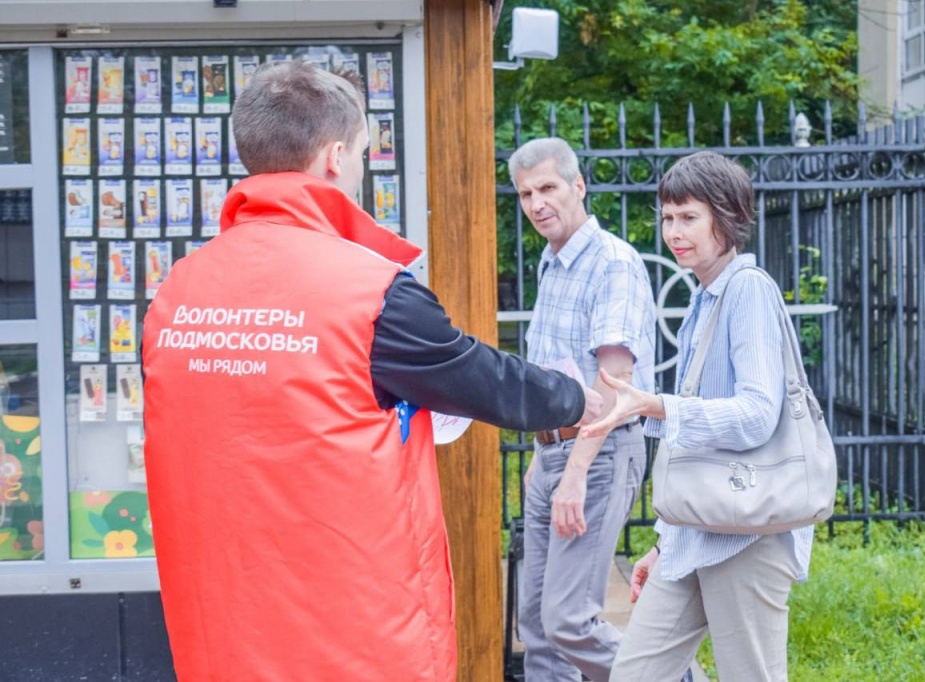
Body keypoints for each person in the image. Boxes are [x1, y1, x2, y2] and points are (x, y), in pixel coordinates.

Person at [141, 61, 601, 682]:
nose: (360, 169)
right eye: (361, 153)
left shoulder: (178, 292)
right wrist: (578, 399)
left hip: (223, 629)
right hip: (350, 631)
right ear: (335, 156)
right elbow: (480, 378)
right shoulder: (368, 290)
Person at [580, 151, 815, 682]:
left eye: (689, 217)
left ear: (726, 216)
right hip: (698, 530)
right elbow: (699, 443)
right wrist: (667, 538)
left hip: (749, 533)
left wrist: (654, 404)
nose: (673, 231)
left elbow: (757, 414)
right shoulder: (705, 298)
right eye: (667, 217)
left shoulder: (747, 290)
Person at [509, 137, 657, 682]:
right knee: (538, 626)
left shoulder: (612, 262)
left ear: (578, 186)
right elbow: (553, 375)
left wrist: (572, 474)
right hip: (554, 454)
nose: (536, 203)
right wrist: (540, 455)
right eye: (525, 194)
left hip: (596, 454)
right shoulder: (552, 264)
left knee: (570, 619)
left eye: (547, 188)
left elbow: (613, 383)